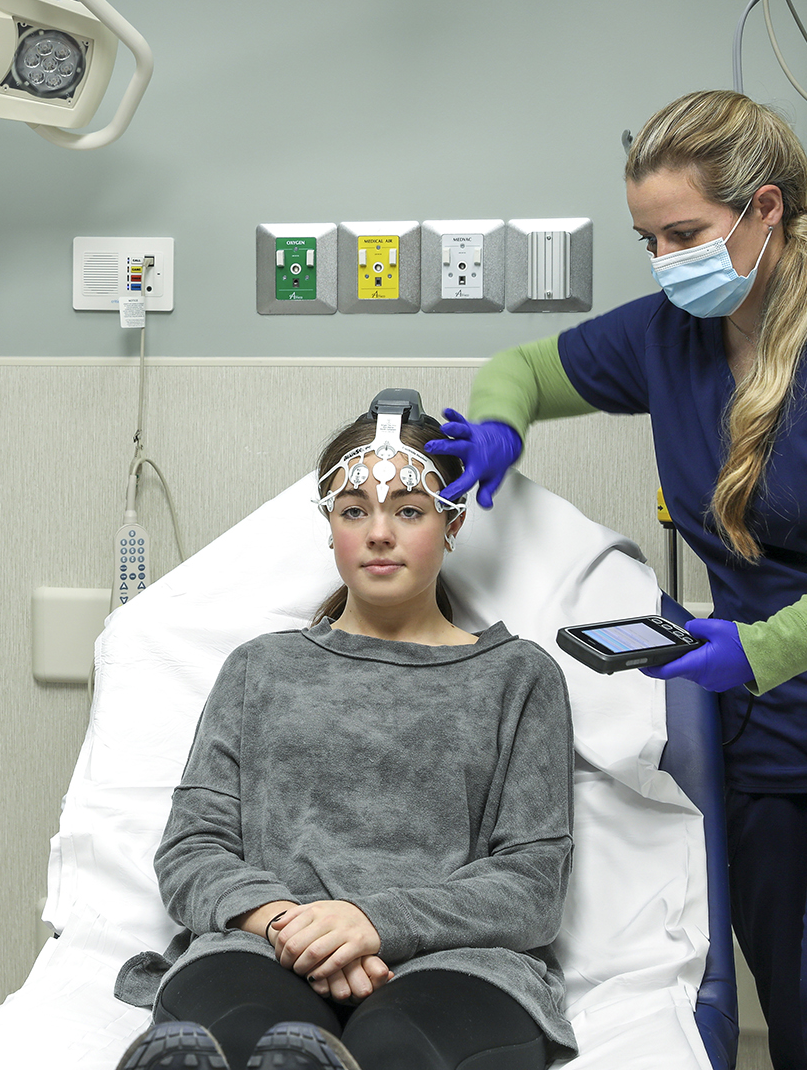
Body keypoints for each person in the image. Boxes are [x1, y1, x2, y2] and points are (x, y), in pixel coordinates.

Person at [432, 89, 807, 1070]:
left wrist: (766, 648)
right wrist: (498, 426)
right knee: (789, 1016)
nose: (665, 262)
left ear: (767, 210)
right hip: (773, 723)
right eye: (647, 239)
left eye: (685, 233)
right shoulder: (670, 333)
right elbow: (525, 367)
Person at [111, 405, 577, 1070]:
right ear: (329, 524)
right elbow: (192, 849)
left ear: (454, 524)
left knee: (396, 1052)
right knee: (232, 1039)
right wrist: (289, 924)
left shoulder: (518, 678)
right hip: (266, 948)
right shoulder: (260, 670)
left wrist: (371, 922)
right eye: (354, 510)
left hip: (456, 962)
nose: (379, 533)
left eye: (410, 511)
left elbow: (532, 882)